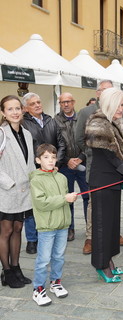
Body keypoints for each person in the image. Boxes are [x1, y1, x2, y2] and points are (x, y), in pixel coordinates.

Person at [85, 88, 123, 282]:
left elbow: (118, 155)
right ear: (110, 103)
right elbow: (109, 156)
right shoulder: (97, 124)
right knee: (101, 226)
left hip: (113, 181)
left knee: (110, 226)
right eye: (120, 104)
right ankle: (101, 265)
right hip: (102, 181)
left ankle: (108, 261)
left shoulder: (111, 123)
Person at [75, 80, 121, 255]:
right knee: (94, 203)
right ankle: (90, 237)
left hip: (116, 168)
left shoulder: (118, 112)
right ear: (98, 93)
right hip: (95, 165)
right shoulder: (86, 112)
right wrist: (95, 151)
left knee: (113, 202)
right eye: (105, 91)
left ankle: (112, 234)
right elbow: (79, 138)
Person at [30, 144, 77, 306]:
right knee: (43, 259)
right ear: (38, 160)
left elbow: (65, 200)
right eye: (46, 157)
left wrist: (69, 198)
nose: (50, 160)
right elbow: (41, 203)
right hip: (47, 227)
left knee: (58, 256)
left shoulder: (61, 177)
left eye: (53, 157)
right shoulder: (36, 180)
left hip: (62, 225)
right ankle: (38, 289)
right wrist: (65, 198)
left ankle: (55, 282)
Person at [21, 93, 66, 255]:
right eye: (33, 104)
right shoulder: (23, 123)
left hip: (53, 170)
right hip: (34, 171)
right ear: (26, 108)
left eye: (39, 102)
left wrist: (55, 164)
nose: (38, 105)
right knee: (33, 206)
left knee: (51, 202)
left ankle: (48, 235)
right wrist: (35, 167)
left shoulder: (50, 120)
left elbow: (61, 144)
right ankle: (32, 240)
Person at [0, 95, 35, 289]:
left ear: (22, 110)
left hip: (24, 192)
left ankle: (16, 267)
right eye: (10, 109)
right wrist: (9, 183)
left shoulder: (27, 133)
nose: (14, 112)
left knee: (18, 229)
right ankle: (6, 271)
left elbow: (28, 163)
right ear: (3, 113)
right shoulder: (1, 133)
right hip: (6, 191)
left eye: (17, 108)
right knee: (5, 231)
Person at [54, 92, 89, 241]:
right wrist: (67, 160)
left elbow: (88, 139)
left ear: (73, 102)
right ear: (59, 104)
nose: (66, 104)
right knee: (68, 198)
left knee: (88, 196)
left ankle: (90, 228)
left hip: (83, 163)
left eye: (68, 101)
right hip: (65, 166)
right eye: (63, 102)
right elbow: (54, 143)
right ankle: (70, 228)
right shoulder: (54, 121)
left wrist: (80, 158)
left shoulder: (83, 118)